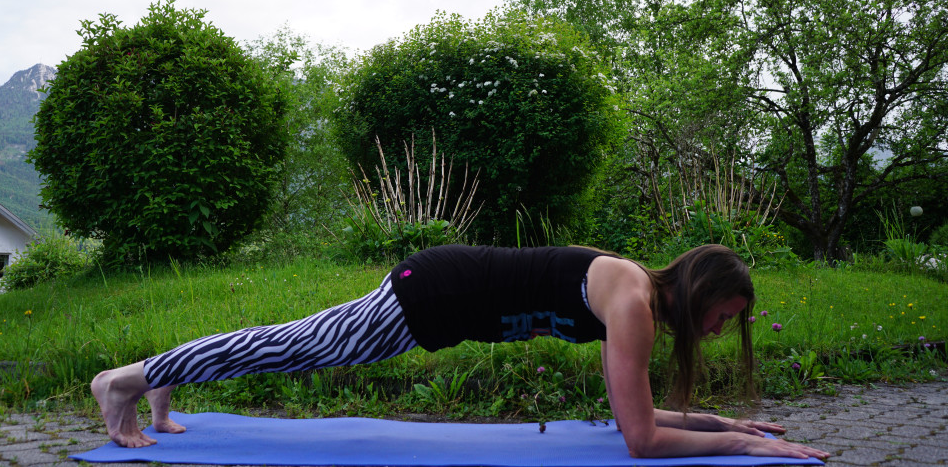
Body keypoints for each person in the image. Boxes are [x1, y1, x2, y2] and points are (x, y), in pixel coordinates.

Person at [91, 244, 830, 460]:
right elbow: (638, 439)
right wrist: (738, 444)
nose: (714, 332)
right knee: (295, 348)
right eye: (721, 318)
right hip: (433, 297)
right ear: (701, 294)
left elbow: (640, 413)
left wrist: (721, 427)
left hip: (438, 290)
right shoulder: (634, 306)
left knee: (288, 343)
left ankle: (159, 383)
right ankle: (125, 381)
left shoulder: (637, 293)